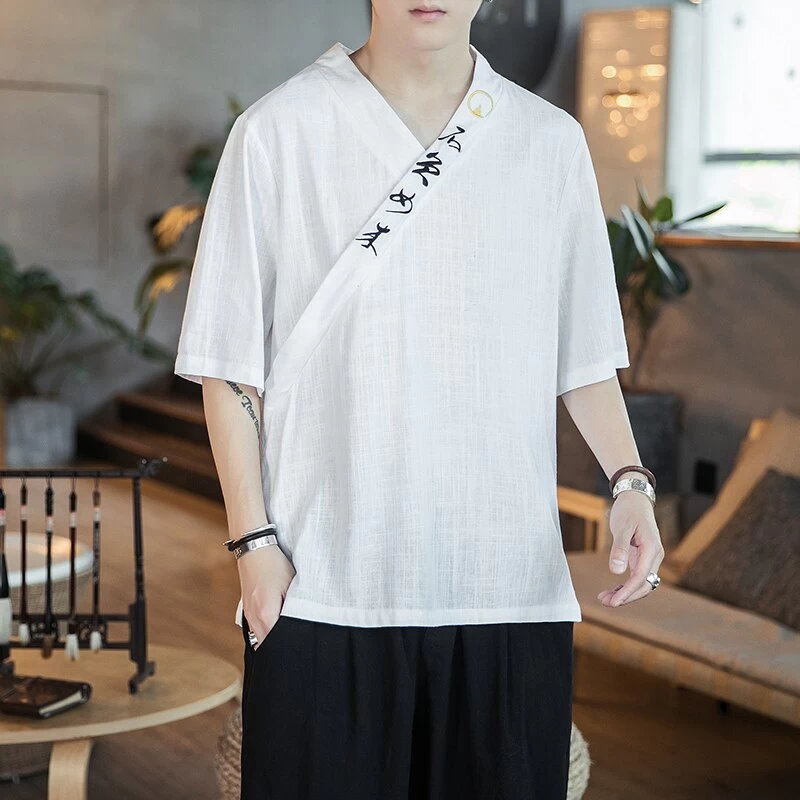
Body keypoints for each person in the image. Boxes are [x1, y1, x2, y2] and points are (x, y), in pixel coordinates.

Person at [174, 2, 665, 798]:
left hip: (505, 587)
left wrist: (630, 483)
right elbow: (229, 367)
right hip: (322, 581)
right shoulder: (277, 131)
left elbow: (582, 357)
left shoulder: (547, 142)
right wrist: (254, 546)